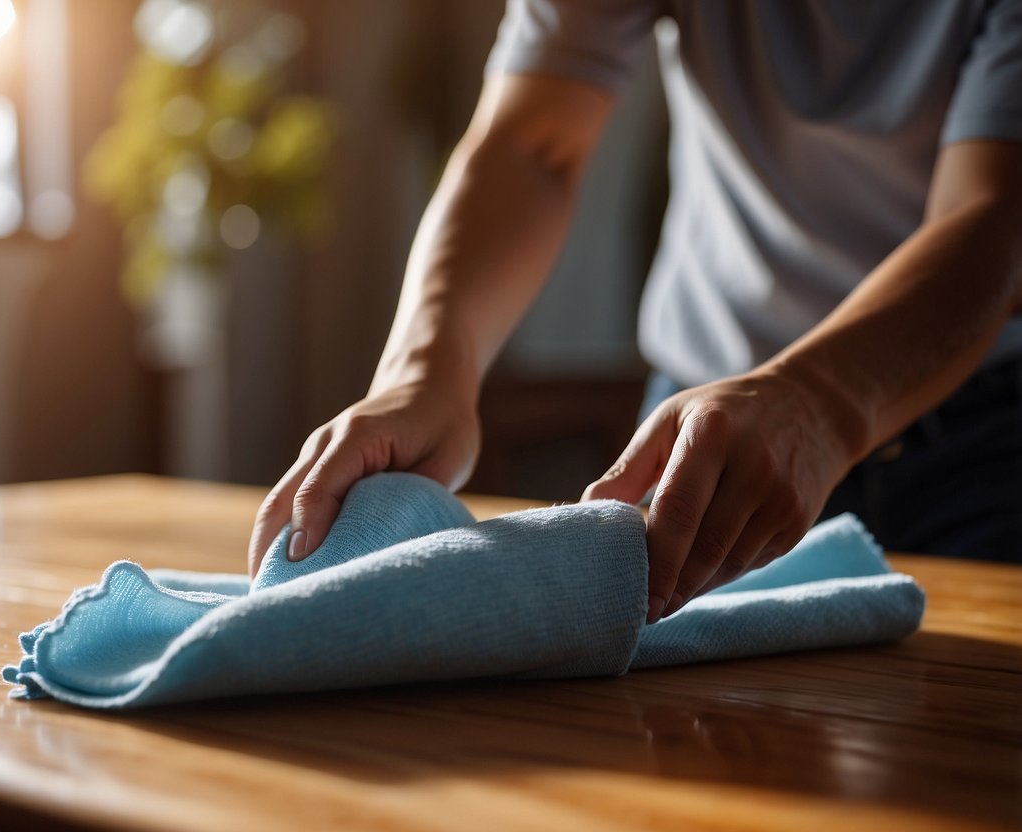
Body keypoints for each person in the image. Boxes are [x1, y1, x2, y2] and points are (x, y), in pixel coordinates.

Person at [249, 0, 1022, 622]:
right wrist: (423, 372)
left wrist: (821, 407)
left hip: (984, 443)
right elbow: (531, 142)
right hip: (697, 437)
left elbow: (994, 219)